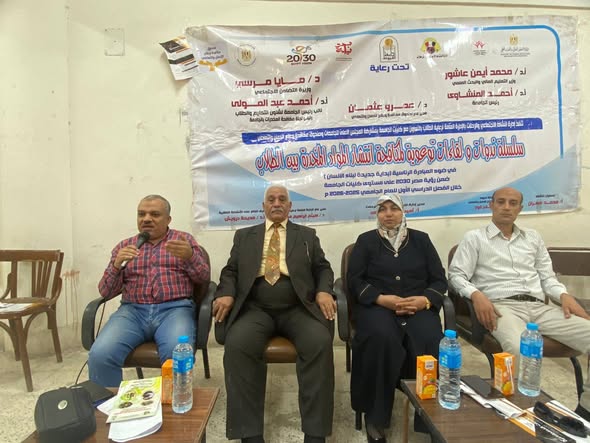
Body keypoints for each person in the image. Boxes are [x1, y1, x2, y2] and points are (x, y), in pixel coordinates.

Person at [448, 186, 590, 419]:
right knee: (518, 347)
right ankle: (520, 412)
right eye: (501, 202)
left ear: (520, 208)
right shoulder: (475, 238)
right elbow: (456, 275)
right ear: (491, 205)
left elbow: (548, 278)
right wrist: (476, 294)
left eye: (512, 203)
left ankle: (586, 409)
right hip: (502, 307)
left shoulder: (533, 238)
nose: (506, 207)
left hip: (539, 307)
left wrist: (564, 295)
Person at [213, 184, 335, 443]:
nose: (276, 203)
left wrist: (324, 291)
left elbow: (323, 268)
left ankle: (315, 434)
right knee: (237, 345)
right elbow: (231, 271)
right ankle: (250, 435)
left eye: (282, 199)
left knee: (320, 343)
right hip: (255, 308)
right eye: (271, 199)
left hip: (298, 307)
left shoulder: (307, 235)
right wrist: (226, 292)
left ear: (290, 206)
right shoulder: (245, 235)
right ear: (264, 206)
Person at [347, 194, 447, 443]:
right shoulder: (366, 241)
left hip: (417, 307)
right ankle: (375, 417)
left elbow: (439, 279)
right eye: (383, 209)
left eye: (394, 208)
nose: (389, 214)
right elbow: (354, 281)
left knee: (430, 339)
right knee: (380, 338)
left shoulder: (421, 240)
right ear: (377, 214)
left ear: (403, 212)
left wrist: (424, 301)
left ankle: (428, 417)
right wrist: (381, 299)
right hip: (377, 307)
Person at [88, 194, 210, 387]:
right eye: (141, 214)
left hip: (175, 310)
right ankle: (108, 404)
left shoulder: (183, 240)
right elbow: (105, 291)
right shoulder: (125, 246)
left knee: (177, 356)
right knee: (100, 355)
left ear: (168, 219)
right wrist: (116, 265)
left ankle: (173, 402)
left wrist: (190, 257)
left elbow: (203, 278)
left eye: (154, 214)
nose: (146, 219)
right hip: (132, 312)